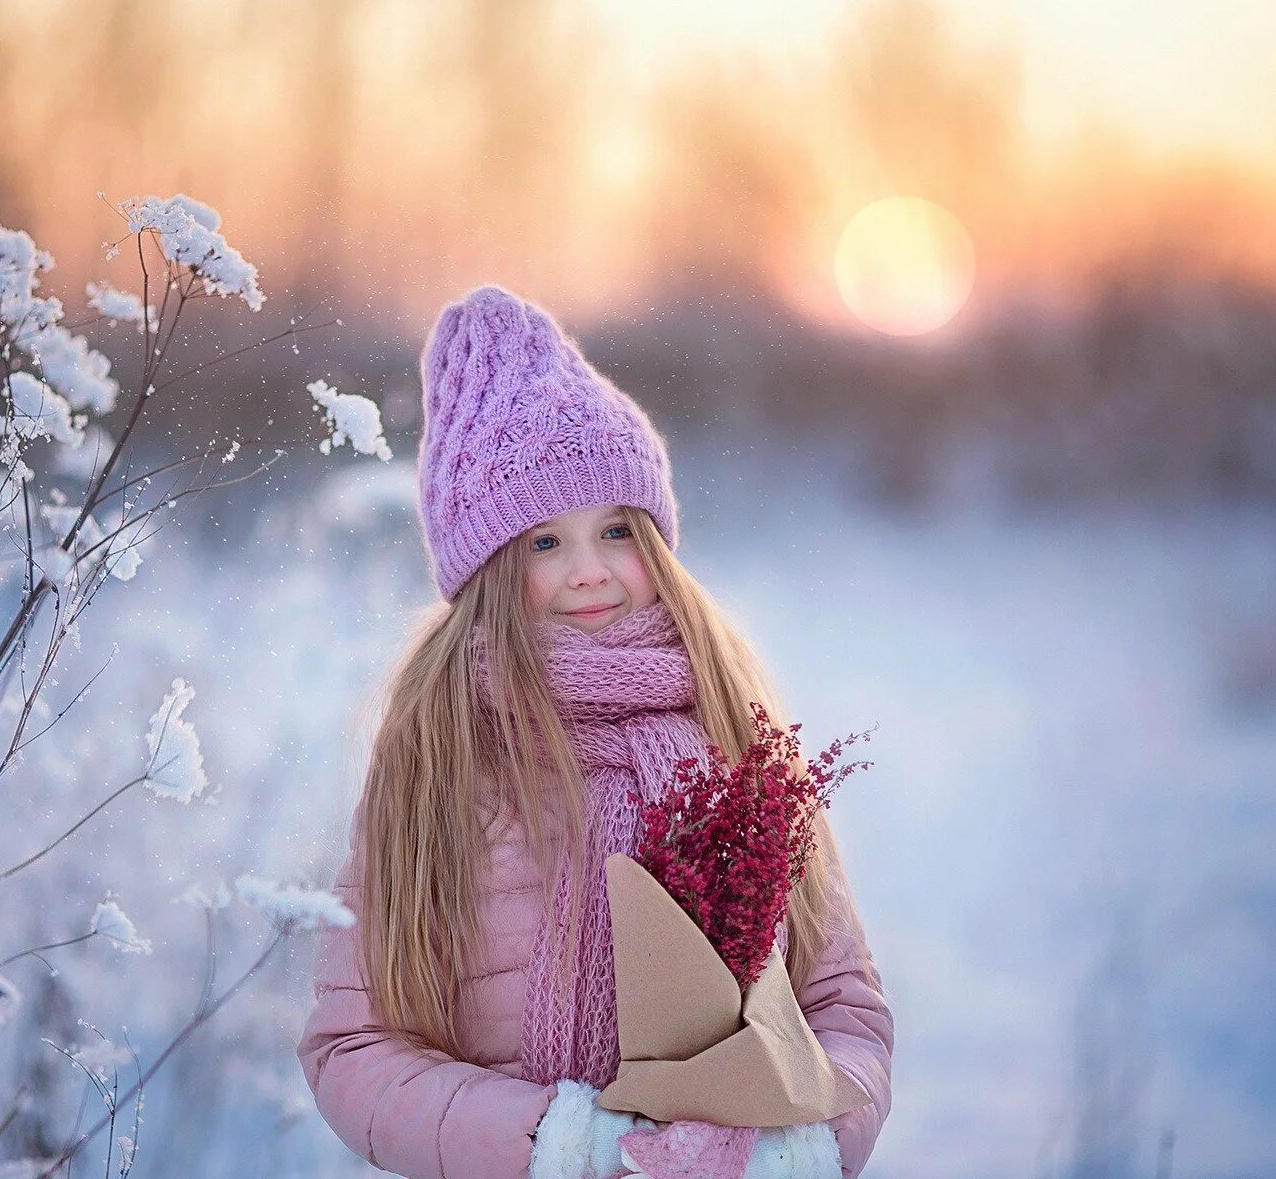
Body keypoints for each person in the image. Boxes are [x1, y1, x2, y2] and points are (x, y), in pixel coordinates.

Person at [295, 284, 893, 1179]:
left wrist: (791, 1148)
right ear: (490, 567)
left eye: (615, 530)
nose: (589, 573)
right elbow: (353, 1048)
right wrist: (563, 1143)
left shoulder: (730, 727)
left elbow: (843, 1005)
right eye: (544, 543)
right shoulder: (443, 752)